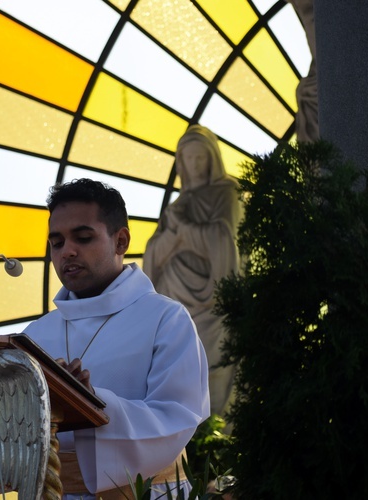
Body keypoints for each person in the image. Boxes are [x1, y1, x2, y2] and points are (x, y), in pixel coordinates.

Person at [23, 178, 210, 499]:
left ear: (120, 240)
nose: (67, 251)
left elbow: (179, 417)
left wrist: (92, 402)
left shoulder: (165, 318)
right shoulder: (33, 337)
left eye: (83, 237)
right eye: (56, 243)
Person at [143, 125, 242, 418]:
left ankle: (215, 439)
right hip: (175, 300)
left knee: (216, 369)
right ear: (181, 163)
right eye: (190, 159)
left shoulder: (227, 193)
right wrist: (173, 239)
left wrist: (185, 231)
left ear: (212, 159)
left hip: (212, 304)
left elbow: (225, 239)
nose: (196, 165)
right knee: (182, 373)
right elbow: (153, 256)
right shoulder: (177, 206)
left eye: (201, 158)